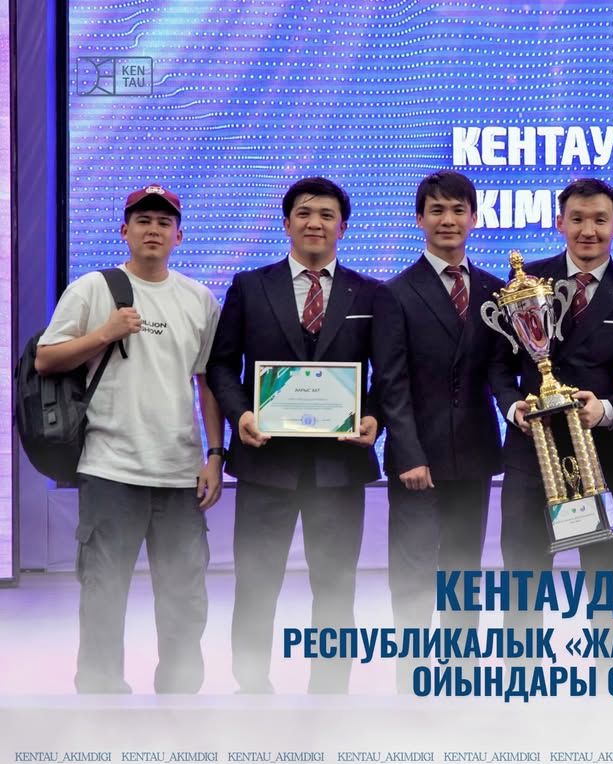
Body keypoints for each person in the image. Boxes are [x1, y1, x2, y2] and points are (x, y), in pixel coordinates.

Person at [36, 184, 223, 693]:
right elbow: (46, 358)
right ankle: (100, 694)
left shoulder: (199, 299)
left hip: (179, 473)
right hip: (109, 468)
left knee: (185, 596)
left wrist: (214, 454)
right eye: (143, 221)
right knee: (104, 591)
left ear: (179, 235)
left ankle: (180, 695)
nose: (153, 230)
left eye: (164, 222)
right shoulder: (92, 288)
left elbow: (207, 383)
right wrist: (104, 333)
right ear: (124, 230)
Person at [206, 177, 381, 694]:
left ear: (342, 228)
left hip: (339, 468)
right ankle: (251, 685)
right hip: (266, 464)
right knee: (256, 583)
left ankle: (330, 689)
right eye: (304, 213)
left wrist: (374, 417)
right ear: (286, 224)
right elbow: (221, 366)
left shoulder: (370, 293)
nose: (314, 223)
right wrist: (240, 415)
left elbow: (390, 373)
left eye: (327, 215)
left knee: (336, 585)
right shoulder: (249, 287)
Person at [490, 177, 613, 650]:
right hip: (530, 457)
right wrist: (512, 406)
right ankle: (521, 683)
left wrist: (606, 409)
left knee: (608, 585)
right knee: (523, 582)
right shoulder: (523, 285)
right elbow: (498, 367)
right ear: (559, 222)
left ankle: (612, 682)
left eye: (600, 220)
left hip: (600, 458)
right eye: (577, 219)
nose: (588, 230)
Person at [372, 170, 504, 692]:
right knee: (412, 572)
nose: (448, 220)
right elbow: (391, 382)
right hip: (417, 462)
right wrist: (407, 452)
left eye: (457, 210)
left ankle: (462, 677)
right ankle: (412, 679)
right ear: (420, 219)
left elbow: (500, 372)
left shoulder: (496, 290)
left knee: (463, 572)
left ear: (473, 218)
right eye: (437, 210)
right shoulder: (395, 293)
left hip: (474, 455)